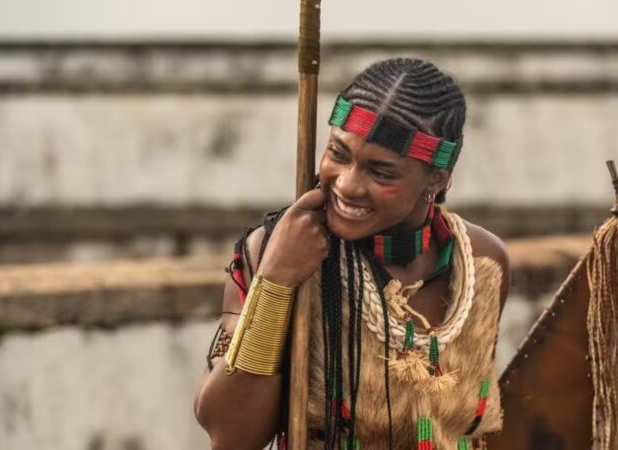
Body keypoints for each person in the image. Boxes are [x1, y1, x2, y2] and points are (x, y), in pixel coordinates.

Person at [193, 57, 511, 450]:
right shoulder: (275, 249)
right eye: (338, 154)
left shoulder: (482, 264)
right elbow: (230, 435)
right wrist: (275, 281)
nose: (346, 185)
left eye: (381, 172)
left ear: (437, 178)